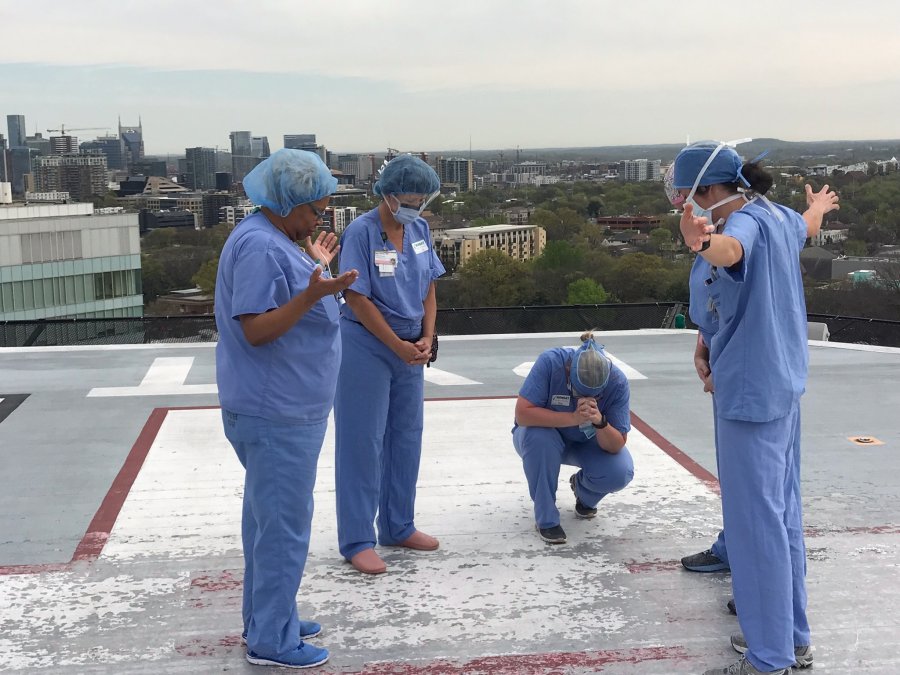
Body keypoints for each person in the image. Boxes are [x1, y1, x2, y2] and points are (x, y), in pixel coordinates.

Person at [672, 141, 838, 675]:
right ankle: (792, 639)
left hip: (749, 393)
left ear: (707, 191)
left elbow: (731, 254)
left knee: (754, 522)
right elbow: (806, 225)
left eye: (687, 194)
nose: (684, 204)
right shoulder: (778, 216)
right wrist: (820, 205)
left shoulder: (736, 225)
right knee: (782, 512)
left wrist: (701, 244)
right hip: (781, 386)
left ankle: (769, 660)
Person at [215, 149, 358, 669]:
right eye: (315, 210)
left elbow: (290, 292)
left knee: (266, 523)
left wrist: (315, 271)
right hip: (275, 410)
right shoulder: (259, 246)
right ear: (287, 201)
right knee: (282, 527)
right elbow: (256, 329)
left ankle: (269, 615)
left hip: (282, 405)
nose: (319, 219)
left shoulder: (274, 238)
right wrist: (312, 294)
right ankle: (272, 642)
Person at [334, 154, 444, 575]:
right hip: (368, 344)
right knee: (362, 442)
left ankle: (399, 524)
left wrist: (427, 337)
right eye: (413, 198)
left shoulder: (419, 229)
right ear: (390, 194)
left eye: (424, 198)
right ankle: (357, 539)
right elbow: (356, 298)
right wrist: (396, 345)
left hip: (412, 346)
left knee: (406, 437)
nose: (419, 205)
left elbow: (428, 287)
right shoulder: (361, 232)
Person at [512, 331, 634, 544]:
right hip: (544, 437)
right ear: (569, 371)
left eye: (595, 396)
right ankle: (546, 518)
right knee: (538, 437)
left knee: (620, 471)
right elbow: (522, 414)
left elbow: (616, 444)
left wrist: (600, 422)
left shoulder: (618, 382)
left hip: (586, 442)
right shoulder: (550, 362)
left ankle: (584, 492)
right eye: (579, 393)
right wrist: (573, 418)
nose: (587, 399)